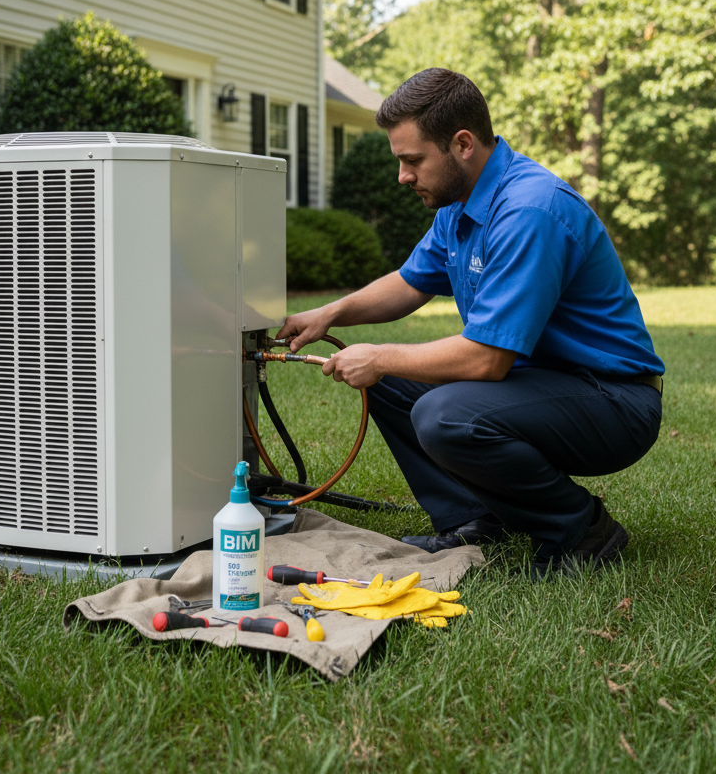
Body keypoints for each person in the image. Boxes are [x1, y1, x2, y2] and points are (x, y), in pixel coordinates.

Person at [277, 68, 664, 579]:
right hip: (543, 383)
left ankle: (580, 529)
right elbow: (411, 282)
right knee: (394, 379)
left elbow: (485, 359)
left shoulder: (529, 210)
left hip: (613, 399)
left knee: (444, 412)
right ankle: (472, 519)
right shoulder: (461, 204)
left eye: (412, 160)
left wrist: (380, 356)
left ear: (462, 144)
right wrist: (330, 313)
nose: (403, 176)